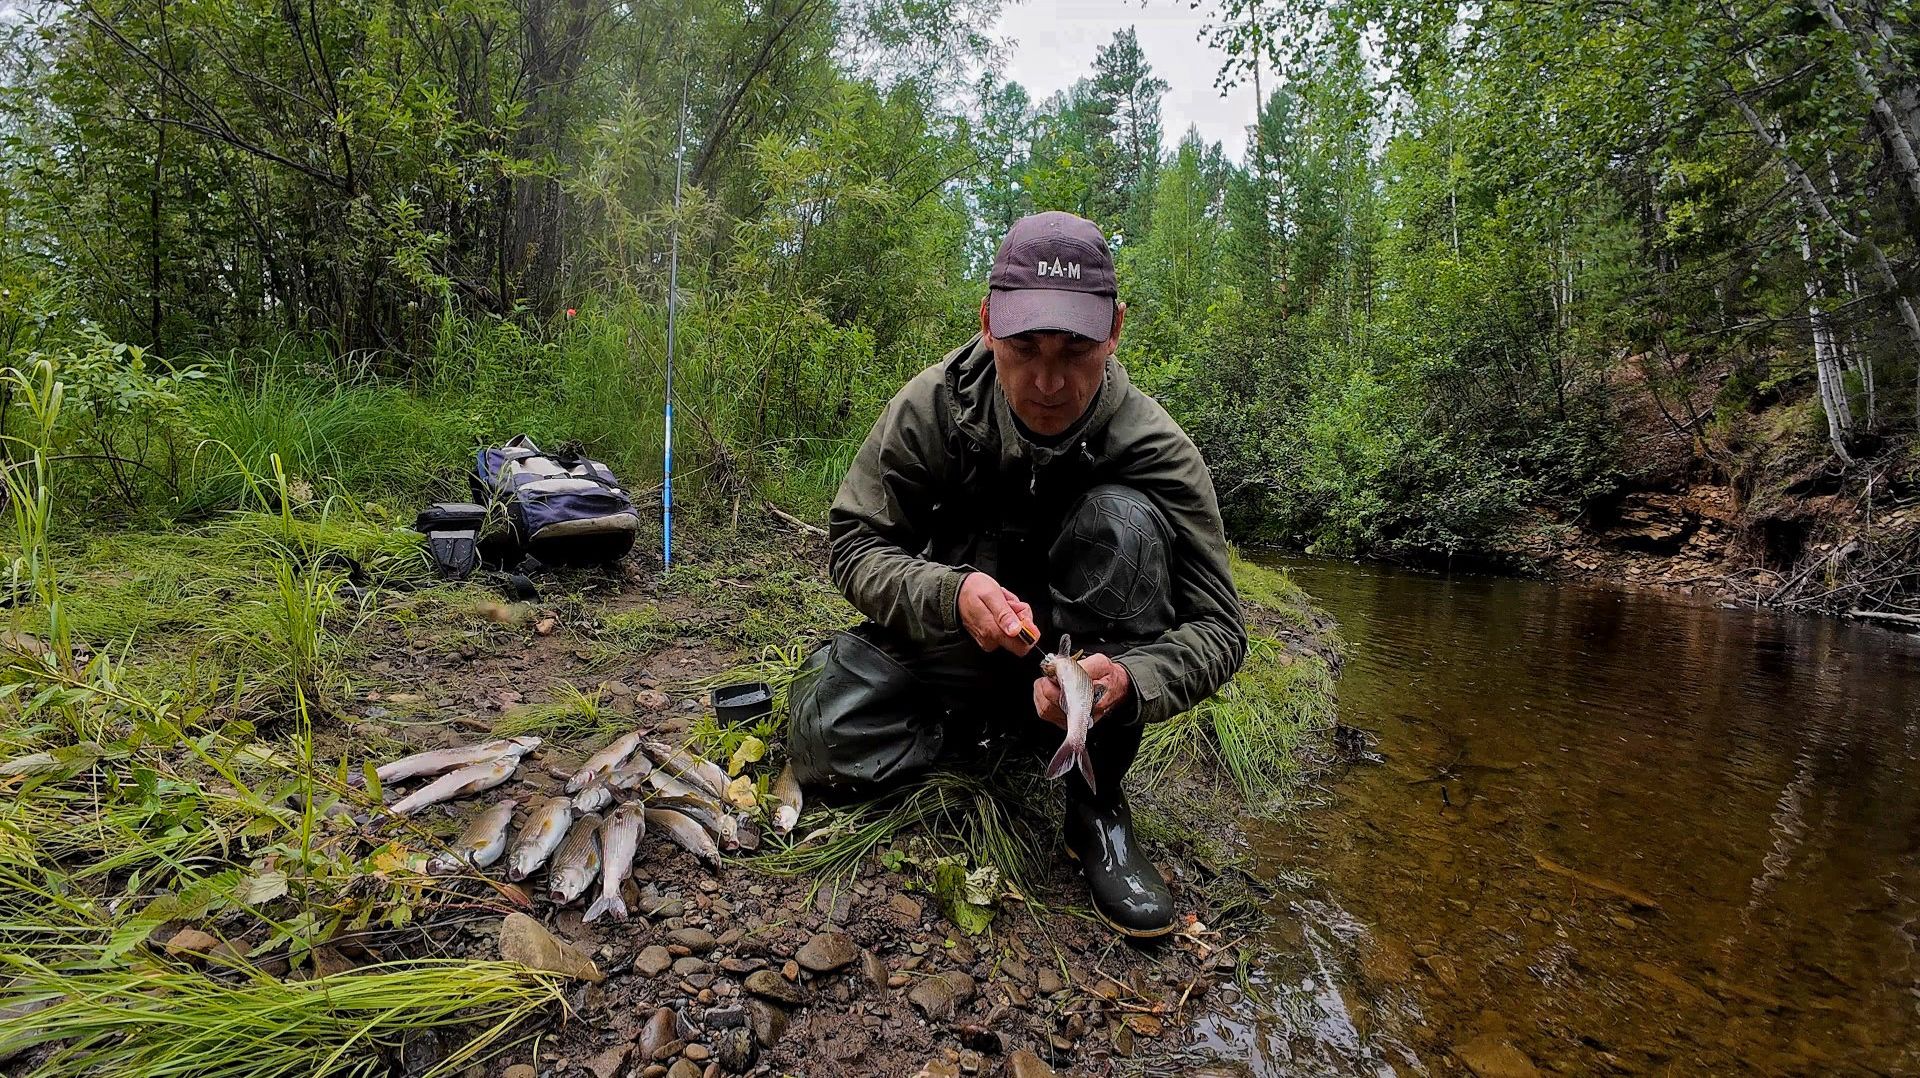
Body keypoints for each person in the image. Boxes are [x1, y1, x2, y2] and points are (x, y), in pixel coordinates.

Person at [787, 210, 1247, 937]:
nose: (1048, 381)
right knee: (823, 741)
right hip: (957, 647)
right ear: (988, 323)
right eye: (1025, 346)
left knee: (1124, 523)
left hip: (1083, 679)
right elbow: (853, 544)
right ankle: (988, 737)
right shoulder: (932, 407)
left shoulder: (1158, 449)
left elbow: (1220, 629)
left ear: (1116, 331)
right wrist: (950, 591)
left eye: (1077, 349)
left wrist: (1130, 682)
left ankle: (1095, 808)